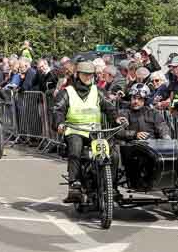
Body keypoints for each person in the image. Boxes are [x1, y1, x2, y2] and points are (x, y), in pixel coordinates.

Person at [52, 61, 126, 203]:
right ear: (77, 75)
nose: (87, 77)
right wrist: (59, 124)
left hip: (95, 131)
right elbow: (57, 110)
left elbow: (109, 107)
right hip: (75, 130)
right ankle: (74, 185)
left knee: (113, 153)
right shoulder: (67, 92)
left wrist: (116, 118)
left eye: (90, 75)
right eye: (84, 74)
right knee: (75, 150)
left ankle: (113, 187)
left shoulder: (97, 91)